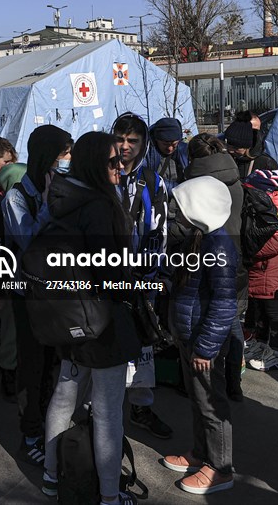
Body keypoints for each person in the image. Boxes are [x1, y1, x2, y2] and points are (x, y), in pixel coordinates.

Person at [31, 131, 141, 505]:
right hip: (101, 321)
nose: (121, 167)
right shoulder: (99, 206)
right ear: (95, 164)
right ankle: (110, 497)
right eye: (113, 162)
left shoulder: (61, 196)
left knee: (65, 396)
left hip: (68, 317)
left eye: (122, 160)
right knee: (109, 411)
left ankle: (50, 476)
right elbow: (111, 271)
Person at [1, 125, 72, 466]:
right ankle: (29, 432)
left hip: (57, 290)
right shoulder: (17, 196)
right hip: (28, 290)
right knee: (32, 363)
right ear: (45, 156)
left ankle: (49, 424)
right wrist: (46, 205)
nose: (66, 161)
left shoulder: (61, 188)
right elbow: (28, 240)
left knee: (53, 362)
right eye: (62, 154)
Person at [162, 176, 237, 495]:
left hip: (203, 343)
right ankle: (201, 453)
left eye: (182, 206)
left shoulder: (219, 245)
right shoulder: (198, 238)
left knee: (211, 403)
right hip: (189, 336)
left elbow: (224, 303)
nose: (176, 211)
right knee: (198, 400)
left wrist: (205, 348)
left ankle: (221, 467)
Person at [111, 112, 172, 440]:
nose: (125, 146)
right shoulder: (101, 177)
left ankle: (141, 407)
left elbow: (158, 232)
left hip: (140, 277)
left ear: (143, 144)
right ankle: (98, 408)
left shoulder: (152, 181)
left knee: (142, 346)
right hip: (104, 277)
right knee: (105, 342)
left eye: (132, 141)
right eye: (120, 139)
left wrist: (149, 276)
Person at [185, 134, 246, 401]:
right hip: (237, 257)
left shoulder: (197, 183)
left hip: (209, 257)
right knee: (232, 323)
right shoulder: (235, 175)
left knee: (214, 319)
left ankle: (215, 386)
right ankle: (234, 383)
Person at [243, 169, 278, 372]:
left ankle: (276, 354)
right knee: (261, 313)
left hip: (271, 273)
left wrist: (251, 251)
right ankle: (261, 346)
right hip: (261, 270)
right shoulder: (262, 205)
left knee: (273, 313)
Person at [145, 117, 188, 190]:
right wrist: (179, 189)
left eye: (174, 145)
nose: (170, 148)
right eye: (165, 144)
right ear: (156, 140)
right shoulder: (147, 153)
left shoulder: (184, 151)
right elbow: (148, 179)